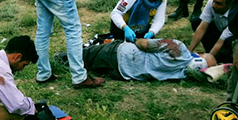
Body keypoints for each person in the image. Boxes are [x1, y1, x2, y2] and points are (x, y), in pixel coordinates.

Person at [80, 38, 215, 81]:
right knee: (87, 65)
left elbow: (143, 44)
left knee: (79, 56)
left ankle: (59, 59)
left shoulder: (179, 48)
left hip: (119, 54)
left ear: (200, 54)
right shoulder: (185, 75)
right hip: (122, 73)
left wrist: (138, 39)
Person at [189, 0, 234, 64]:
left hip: (232, 38)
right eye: (213, 0)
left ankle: (226, 59)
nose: (213, 5)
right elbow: (202, 28)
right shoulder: (211, 3)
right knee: (196, 22)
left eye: (218, 4)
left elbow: (220, 41)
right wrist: (188, 53)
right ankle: (212, 55)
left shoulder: (234, 15)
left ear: (229, 6)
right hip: (219, 32)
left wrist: (206, 62)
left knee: (229, 41)